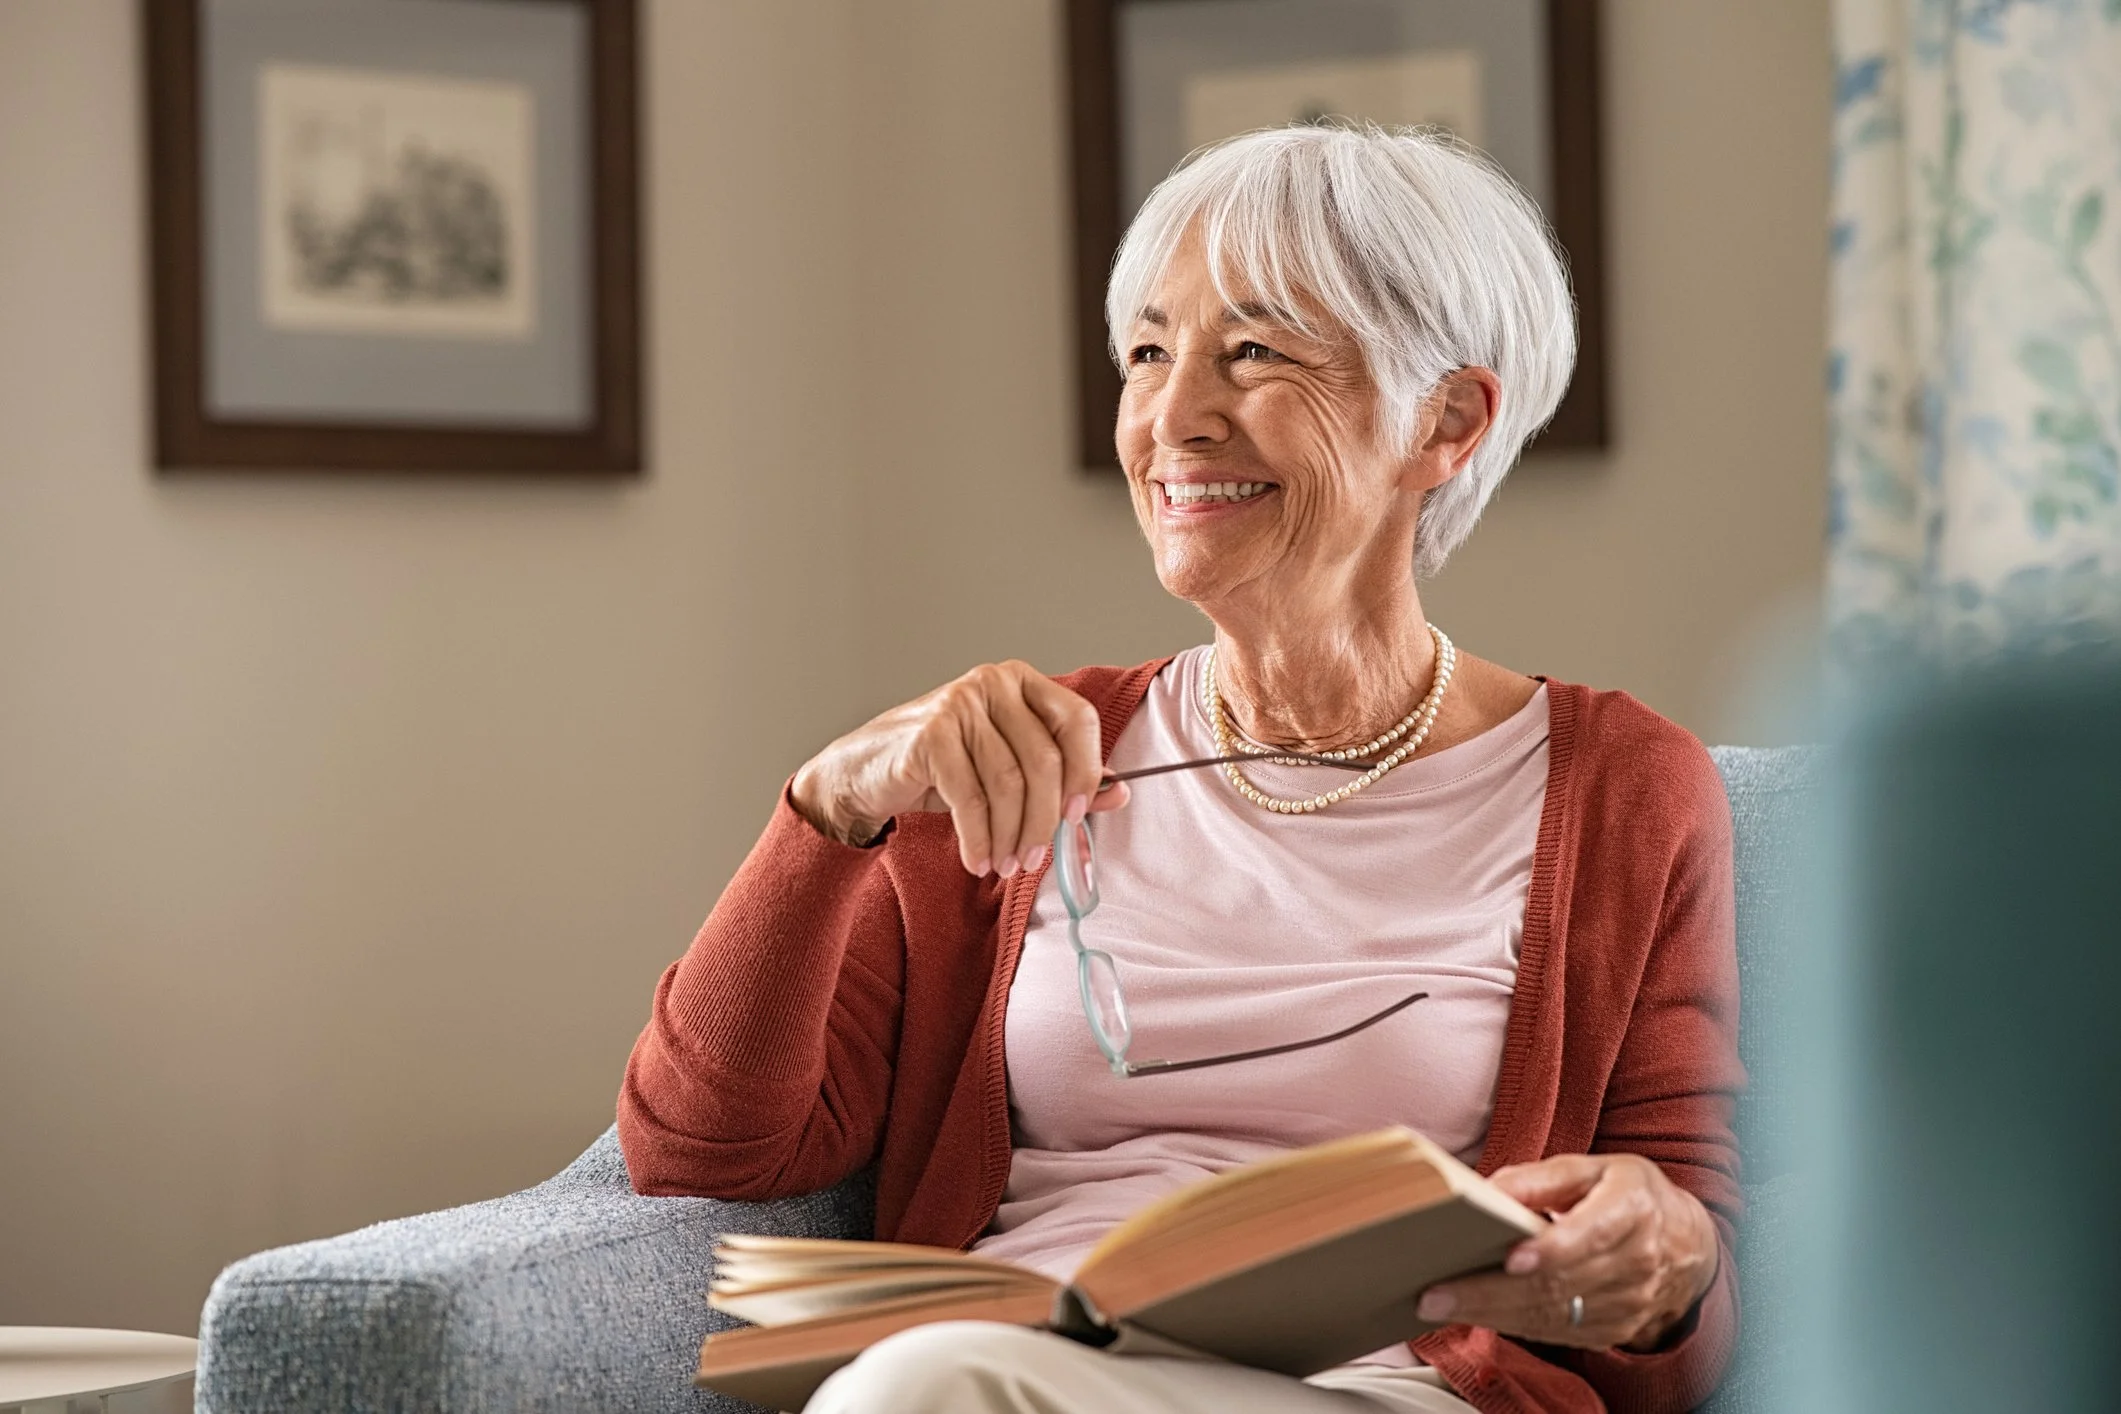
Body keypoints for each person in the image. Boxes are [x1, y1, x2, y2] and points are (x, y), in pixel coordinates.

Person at [619, 124, 1741, 1414]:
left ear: (1447, 419)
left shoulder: (1620, 789)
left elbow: (1687, 1300)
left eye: (1254, 354)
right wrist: (831, 810)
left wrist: (1670, 1259)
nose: (1173, 420)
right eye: (1148, 354)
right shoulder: (1018, 760)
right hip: (1023, 1363)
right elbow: (701, 1148)